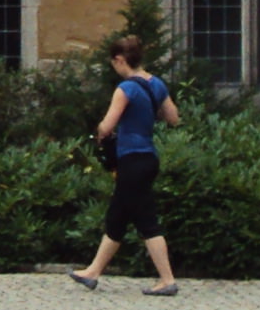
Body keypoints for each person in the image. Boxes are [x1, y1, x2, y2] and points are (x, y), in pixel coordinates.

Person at [72, 35, 184, 295]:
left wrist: (99, 132)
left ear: (120, 60)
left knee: (146, 221)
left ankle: (167, 280)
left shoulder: (126, 89)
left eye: (114, 63)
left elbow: (107, 125)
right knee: (118, 216)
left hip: (131, 159)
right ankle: (93, 272)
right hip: (149, 157)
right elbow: (174, 118)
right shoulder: (156, 84)